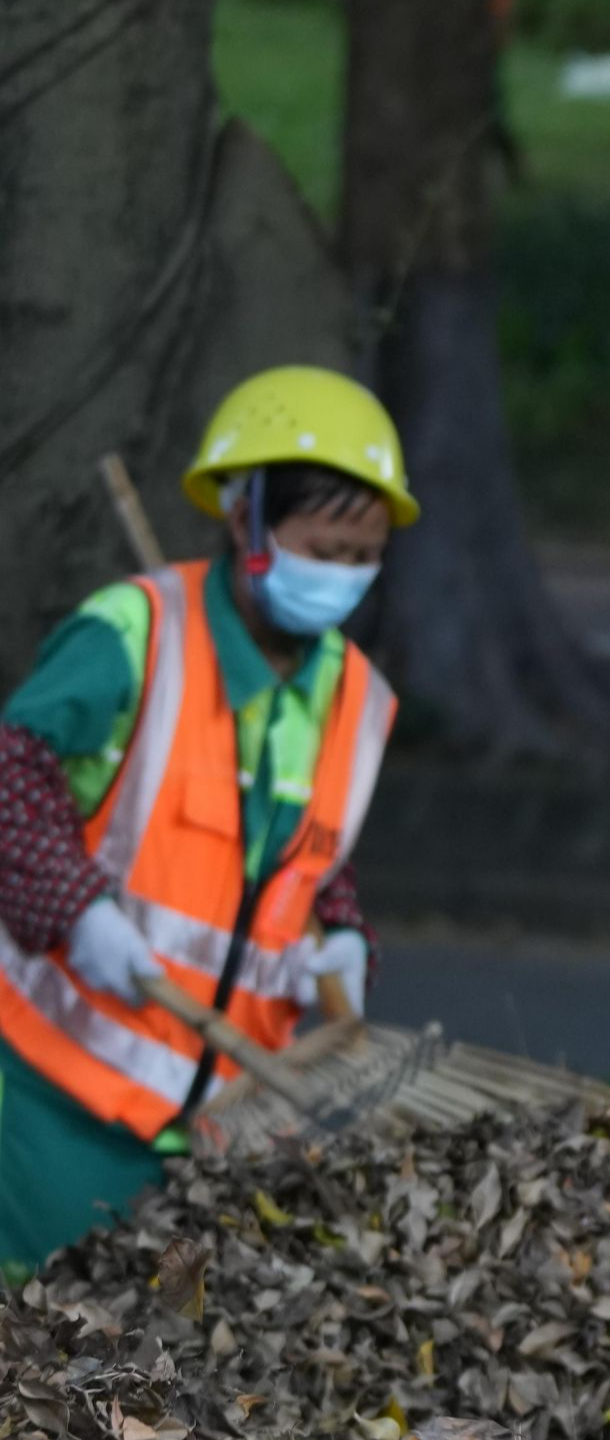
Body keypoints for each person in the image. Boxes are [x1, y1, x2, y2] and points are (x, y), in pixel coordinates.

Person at [0, 365, 418, 1275]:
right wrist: (75, 907)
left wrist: (341, 934)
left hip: (225, 1135)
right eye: (324, 549)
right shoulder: (131, 635)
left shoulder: (357, 700)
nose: (342, 578)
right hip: (52, 1107)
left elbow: (305, 861)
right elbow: (13, 772)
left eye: (364, 557)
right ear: (246, 523)